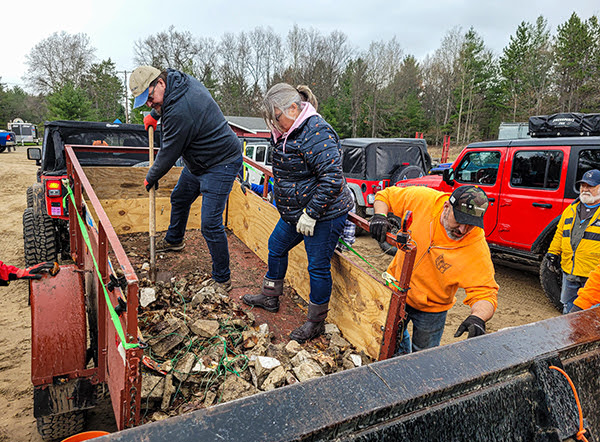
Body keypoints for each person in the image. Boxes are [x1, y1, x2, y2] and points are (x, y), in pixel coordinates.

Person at [242, 83, 353, 343]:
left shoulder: (317, 131)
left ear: (293, 107)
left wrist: (312, 213)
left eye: (277, 117)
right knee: (276, 245)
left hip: (325, 212)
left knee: (317, 266)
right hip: (296, 211)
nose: (275, 124)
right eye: (271, 119)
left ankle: (316, 323)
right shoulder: (287, 129)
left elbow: (332, 178)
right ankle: (270, 297)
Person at [129, 66, 243, 291]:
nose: (150, 104)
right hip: (198, 161)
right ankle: (174, 240)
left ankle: (223, 279)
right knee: (180, 197)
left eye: (150, 99)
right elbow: (164, 108)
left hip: (221, 163)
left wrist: (150, 178)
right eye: (146, 102)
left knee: (210, 225)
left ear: (160, 84)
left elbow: (169, 153)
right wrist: (154, 115)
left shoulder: (181, 109)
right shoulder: (176, 82)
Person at [369, 185, 499, 355]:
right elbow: (385, 195)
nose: (462, 230)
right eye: (459, 220)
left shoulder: (474, 246)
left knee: (424, 356)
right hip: (395, 291)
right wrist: (379, 215)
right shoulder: (425, 200)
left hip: (432, 309)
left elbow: (485, 291)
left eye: (469, 225)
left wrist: (478, 317)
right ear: (447, 207)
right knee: (390, 342)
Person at [546, 169, 600, 314]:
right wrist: (552, 253)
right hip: (569, 270)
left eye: (590, 186)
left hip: (592, 275)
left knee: (589, 314)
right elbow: (560, 233)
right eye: (583, 186)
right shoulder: (571, 209)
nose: (585, 189)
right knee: (568, 308)